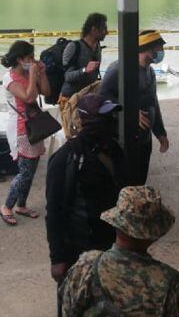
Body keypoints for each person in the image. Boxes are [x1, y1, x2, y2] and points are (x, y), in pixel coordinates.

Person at [60, 186, 179, 317]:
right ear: (153, 235)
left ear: (116, 223)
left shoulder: (85, 266)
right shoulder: (169, 282)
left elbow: (68, 310)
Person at [46, 93, 126, 291]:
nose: (111, 123)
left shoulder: (115, 151)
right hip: (78, 251)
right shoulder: (66, 158)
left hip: (112, 248)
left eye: (112, 118)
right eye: (104, 118)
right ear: (87, 121)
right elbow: (54, 212)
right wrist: (57, 258)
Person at [100, 30, 170, 185]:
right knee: (124, 183)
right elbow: (102, 97)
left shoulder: (150, 72)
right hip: (123, 138)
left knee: (140, 181)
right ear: (147, 49)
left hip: (144, 139)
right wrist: (129, 111)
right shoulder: (119, 69)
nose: (162, 53)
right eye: (159, 48)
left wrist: (160, 132)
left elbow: (153, 102)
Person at [0, 40, 51, 226]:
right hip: (21, 128)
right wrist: (33, 76)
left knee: (32, 168)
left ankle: (21, 205)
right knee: (25, 172)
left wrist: (41, 73)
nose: (33, 60)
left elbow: (46, 91)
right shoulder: (10, 79)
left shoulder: (31, 72)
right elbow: (29, 96)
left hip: (34, 125)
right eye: (30, 57)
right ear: (20, 59)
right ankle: (6, 206)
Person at [59, 13, 108, 134]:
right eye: (104, 29)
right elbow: (67, 77)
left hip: (88, 100)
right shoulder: (74, 47)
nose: (106, 32)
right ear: (94, 30)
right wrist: (85, 70)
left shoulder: (97, 47)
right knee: (74, 138)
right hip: (70, 100)